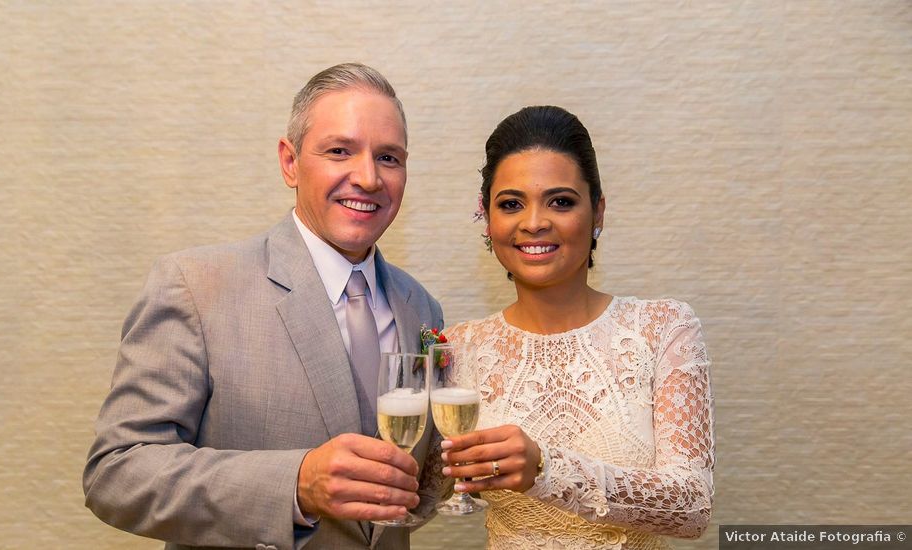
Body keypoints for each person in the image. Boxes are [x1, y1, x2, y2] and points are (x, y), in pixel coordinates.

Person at [83, 63, 443, 550]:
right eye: (340, 151)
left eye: (389, 157)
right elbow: (117, 472)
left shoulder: (420, 308)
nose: (368, 177)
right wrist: (295, 484)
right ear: (290, 162)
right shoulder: (196, 287)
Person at [438, 106, 714, 549]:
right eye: (511, 204)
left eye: (560, 201)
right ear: (487, 219)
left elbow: (693, 507)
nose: (533, 222)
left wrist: (545, 470)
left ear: (597, 212)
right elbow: (430, 487)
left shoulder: (663, 330)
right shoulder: (459, 346)